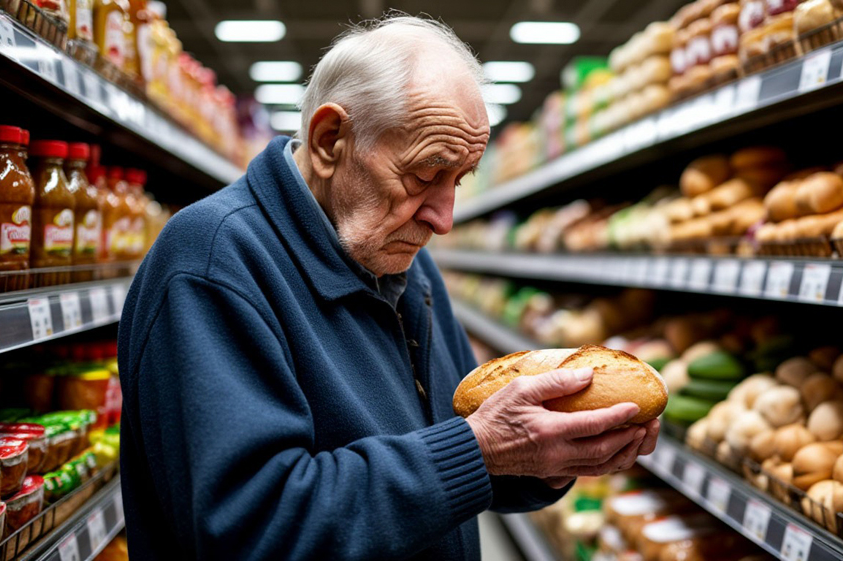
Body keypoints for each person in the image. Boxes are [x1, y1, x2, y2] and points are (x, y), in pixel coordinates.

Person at [117, 14, 659, 561]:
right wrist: (479, 448)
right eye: (426, 173)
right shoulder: (214, 263)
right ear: (331, 141)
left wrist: (550, 456)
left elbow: (460, 464)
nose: (444, 218)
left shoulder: (402, 261)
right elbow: (251, 529)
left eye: (460, 179)